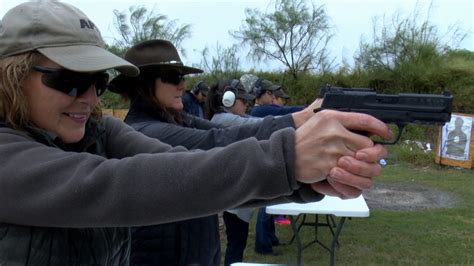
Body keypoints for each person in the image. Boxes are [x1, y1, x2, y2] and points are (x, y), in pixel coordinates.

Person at [0, 1, 390, 264]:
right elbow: (115, 185)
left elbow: (177, 164)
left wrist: (303, 178)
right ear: (11, 77)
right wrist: (289, 156)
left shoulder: (97, 130)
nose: (87, 97)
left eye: (97, 82)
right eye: (70, 80)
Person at [108, 40, 328, 265]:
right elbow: (217, 142)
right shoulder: (145, 132)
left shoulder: (175, 119)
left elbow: (230, 131)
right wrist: (300, 119)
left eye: (182, 77)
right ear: (144, 84)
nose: (182, 84)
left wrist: (301, 122)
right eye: (174, 77)